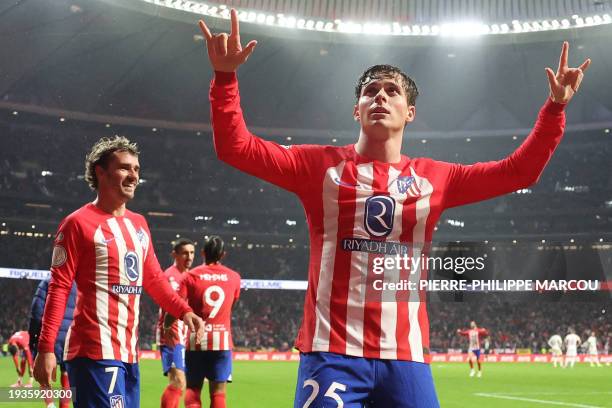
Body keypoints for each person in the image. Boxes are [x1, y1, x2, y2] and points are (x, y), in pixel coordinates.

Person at [198, 10, 591, 407]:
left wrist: (555, 108)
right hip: (331, 353)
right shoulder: (318, 167)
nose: (380, 96)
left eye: (392, 91)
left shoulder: (435, 179)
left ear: (410, 112)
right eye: (370, 91)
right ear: (357, 110)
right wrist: (225, 79)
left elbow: (519, 172)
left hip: (405, 357)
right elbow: (237, 148)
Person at [32, 136, 204, 408]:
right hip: (93, 352)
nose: (133, 175)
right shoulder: (77, 223)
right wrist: (45, 350)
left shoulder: (139, 224)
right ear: (100, 172)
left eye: (136, 169)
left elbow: (155, 280)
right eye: (125, 167)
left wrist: (185, 311)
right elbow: (59, 287)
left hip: (128, 354)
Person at [166, 236, 241, 408]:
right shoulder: (234, 277)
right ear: (223, 254)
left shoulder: (191, 276)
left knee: (193, 389)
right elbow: (232, 306)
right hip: (221, 341)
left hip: (196, 341)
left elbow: (177, 306)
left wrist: (166, 325)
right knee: (218, 393)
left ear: (202, 253)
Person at [157, 238, 196, 408]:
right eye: (185, 253)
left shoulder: (187, 276)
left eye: (192, 253)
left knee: (181, 382)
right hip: (171, 333)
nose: (189, 256)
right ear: (175, 254)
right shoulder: (171, 277)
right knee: (178, 381)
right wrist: (168, 330)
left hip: (182, 335)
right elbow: (170, 308)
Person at [29, 277, 77, 408]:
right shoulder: (78, 286)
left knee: (43, 373)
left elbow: (36, 312)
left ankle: (50, 405)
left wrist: (32, 339)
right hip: (70, 337)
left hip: (50, 335)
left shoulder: (47, 282)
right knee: (66, 374)